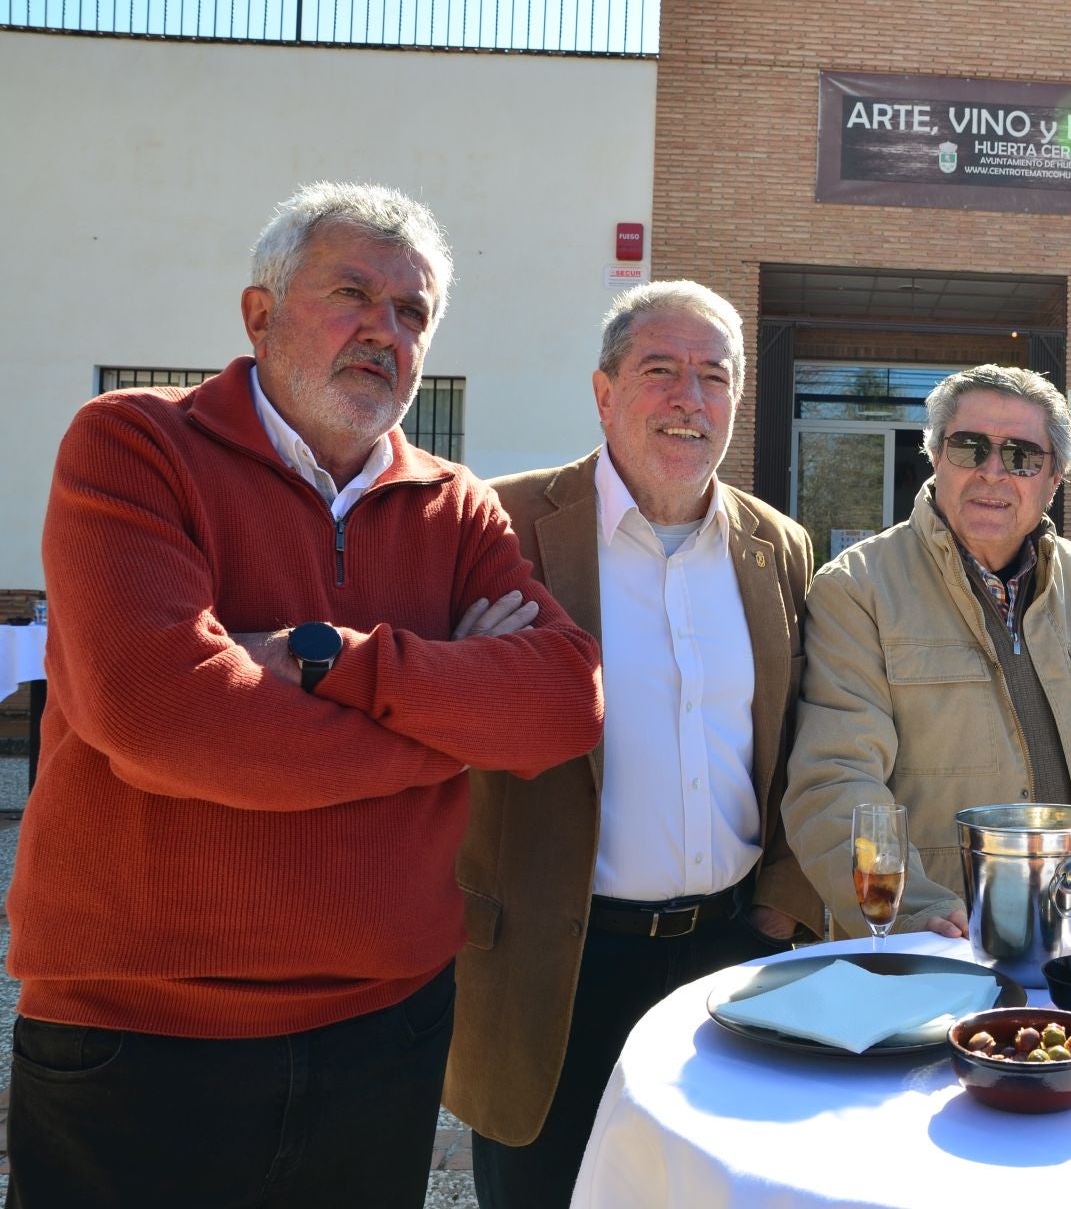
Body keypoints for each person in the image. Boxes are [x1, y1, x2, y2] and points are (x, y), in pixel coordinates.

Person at [5, 182, 604, 1208]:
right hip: (139, 1040)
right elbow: (165, 721)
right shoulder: (134, 446)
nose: (386, 331)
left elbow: (559, 706)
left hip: (387, 1031)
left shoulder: (454, 508)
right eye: (353, 294)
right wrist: (447, 726)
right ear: (260, 314)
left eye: (413, 313)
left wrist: (329, 661)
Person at [443, 280, 821, 1208]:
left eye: (714, 376)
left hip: (729, 953)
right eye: (662, 370)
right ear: (604, 391)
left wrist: (779, 910)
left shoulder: (779, 547)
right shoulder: (501, 526)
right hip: (555, 966)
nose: (691, 398)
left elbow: (804, 734)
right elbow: (433, 719)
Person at [782, 364, 1071, 939]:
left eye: (1022, 455)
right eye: (969, 447)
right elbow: (836, 779)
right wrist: (913, 912)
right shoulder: (857, 588)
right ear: (934, 456)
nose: (993, 472)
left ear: (1055, 477)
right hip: (938, 944)